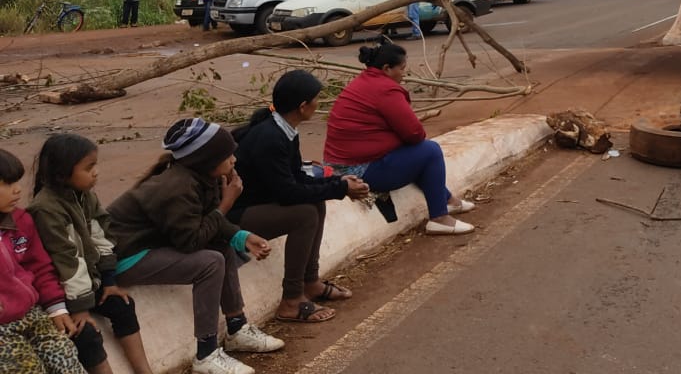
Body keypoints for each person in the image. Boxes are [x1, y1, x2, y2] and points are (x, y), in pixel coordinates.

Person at [107, 119, 282, 374]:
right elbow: (191, 241)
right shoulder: (176, 187)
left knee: (221, 247)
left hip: (153, 245)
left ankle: (237, 327)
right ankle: (206, 353)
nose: (234, 160)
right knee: (209, 263)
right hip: (127, 256)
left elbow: (206, 221)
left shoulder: (203, 177)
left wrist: (241, 236)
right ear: (206, 160)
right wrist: (226, 204)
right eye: (227, 155)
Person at [228, 71, 370, 324]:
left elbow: (296, 179)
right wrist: (340, 190)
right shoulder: (270, 138)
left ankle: (310, 282)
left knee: (315, 202)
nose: (319, 104)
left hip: (260, 203)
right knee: (303, 214)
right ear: (303, 106)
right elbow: (288, 193)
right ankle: (291, 300)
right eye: (317, 100)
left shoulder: (284, 130)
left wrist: (338, 183)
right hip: (236, 215)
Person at [28, 135, 153, 374]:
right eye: (88, 167)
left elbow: (101, 235)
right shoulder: (46, 209)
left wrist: (109, 281)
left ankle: (144, 370)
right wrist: (80, 309)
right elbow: (67, 260)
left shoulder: (84, 195)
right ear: (62, 174)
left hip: (88, 283)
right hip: (63, 294)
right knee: (84, 332)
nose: (96, 172)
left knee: (122, 304)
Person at [324, 42, 475, 235]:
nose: (404, 74)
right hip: (359, 172)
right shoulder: (386, 89)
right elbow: (414, 134)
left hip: (340, 166)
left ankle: (448, 201)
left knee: (416, 155)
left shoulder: (364, 81)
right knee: (430, 150)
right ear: (387, 68)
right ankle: (439, 218)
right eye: (402, 69)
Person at [0, 148, 85, 374]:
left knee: (66, 360)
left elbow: (39, 266)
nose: (17, 190)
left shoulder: (20, 221)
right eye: (7, 184)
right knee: (28, 369)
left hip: (32, 313)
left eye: (16, 182)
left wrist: (56, 308)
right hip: (2, 329)